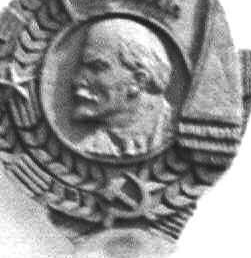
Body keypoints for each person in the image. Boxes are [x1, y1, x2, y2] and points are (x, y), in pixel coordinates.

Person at [63, 17, 178, 160]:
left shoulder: (179, 130)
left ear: (139, 80)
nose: (77, 81)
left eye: (97, 67)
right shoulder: (86, 146)